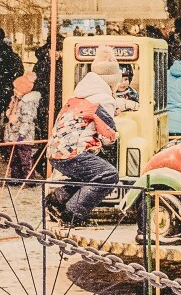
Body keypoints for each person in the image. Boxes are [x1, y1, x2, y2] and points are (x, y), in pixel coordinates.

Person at [47, 47, 131, 223]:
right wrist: (113, 138)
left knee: (87, 176)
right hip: (73, 152)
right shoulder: (105, 98)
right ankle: (73, 214)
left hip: (55, 151)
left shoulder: (79, 95)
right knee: (108, 175)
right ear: (113, 82)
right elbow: (108, 135)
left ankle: (57, 200)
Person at [4, 72, 41, 181]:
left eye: (16, 88)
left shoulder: (27, 103)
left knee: (25, 159)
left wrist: (21, 134)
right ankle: (16, 178)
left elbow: (27, 120)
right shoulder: (15, 100)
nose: (14, 90)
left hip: (23, 137)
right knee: (14, 159)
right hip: (13, 135)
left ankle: (29, 179)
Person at [34, 34, 64, 140]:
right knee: (47, 129)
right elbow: (37, 84)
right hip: (47, 101)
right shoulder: (43, 64)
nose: (58, 53)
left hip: (55, 101)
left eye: (59, 50)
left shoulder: (59, 63)